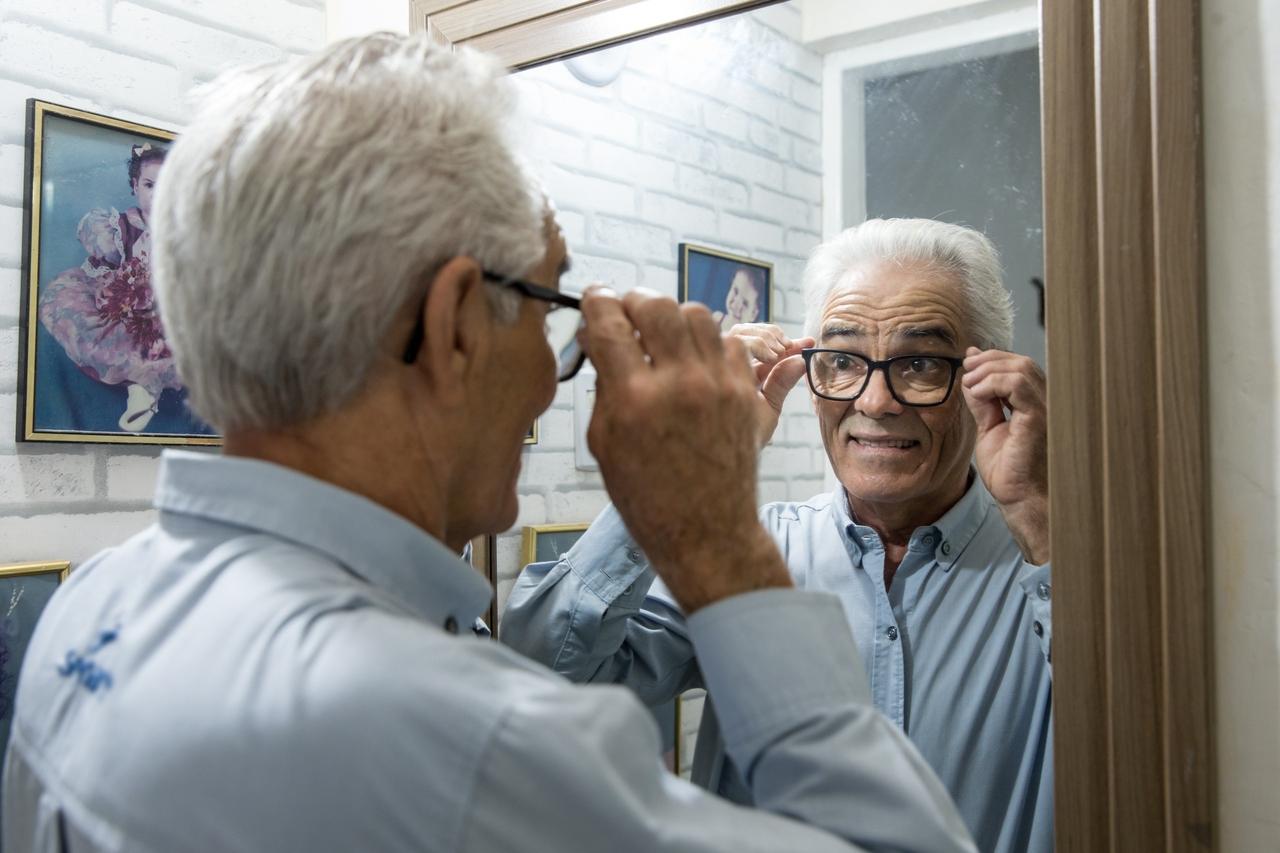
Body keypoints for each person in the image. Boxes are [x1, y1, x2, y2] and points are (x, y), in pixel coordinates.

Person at [2, 36, 977, 852]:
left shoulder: (97, 597)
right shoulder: (456, 737)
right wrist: (718, 540)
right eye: (549, 302)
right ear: (458, 322)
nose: (554, 376)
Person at [503, 218, 1053, 853]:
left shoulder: (1047, 571)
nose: (875, 402)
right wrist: (684, 472)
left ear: (986, 379)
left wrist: (1038, 513)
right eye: (843, 361)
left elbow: (1157, 748)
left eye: (922, 363)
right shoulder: (743, 556)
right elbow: (539, 676)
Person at [37, 144, 211, 435]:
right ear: (134, 186)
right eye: (149, 185)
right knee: (88, 321)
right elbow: (105, 264)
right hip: (118, 305)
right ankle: (141, 385)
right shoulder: (119, 226)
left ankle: (148, 388)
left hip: (165, 309)